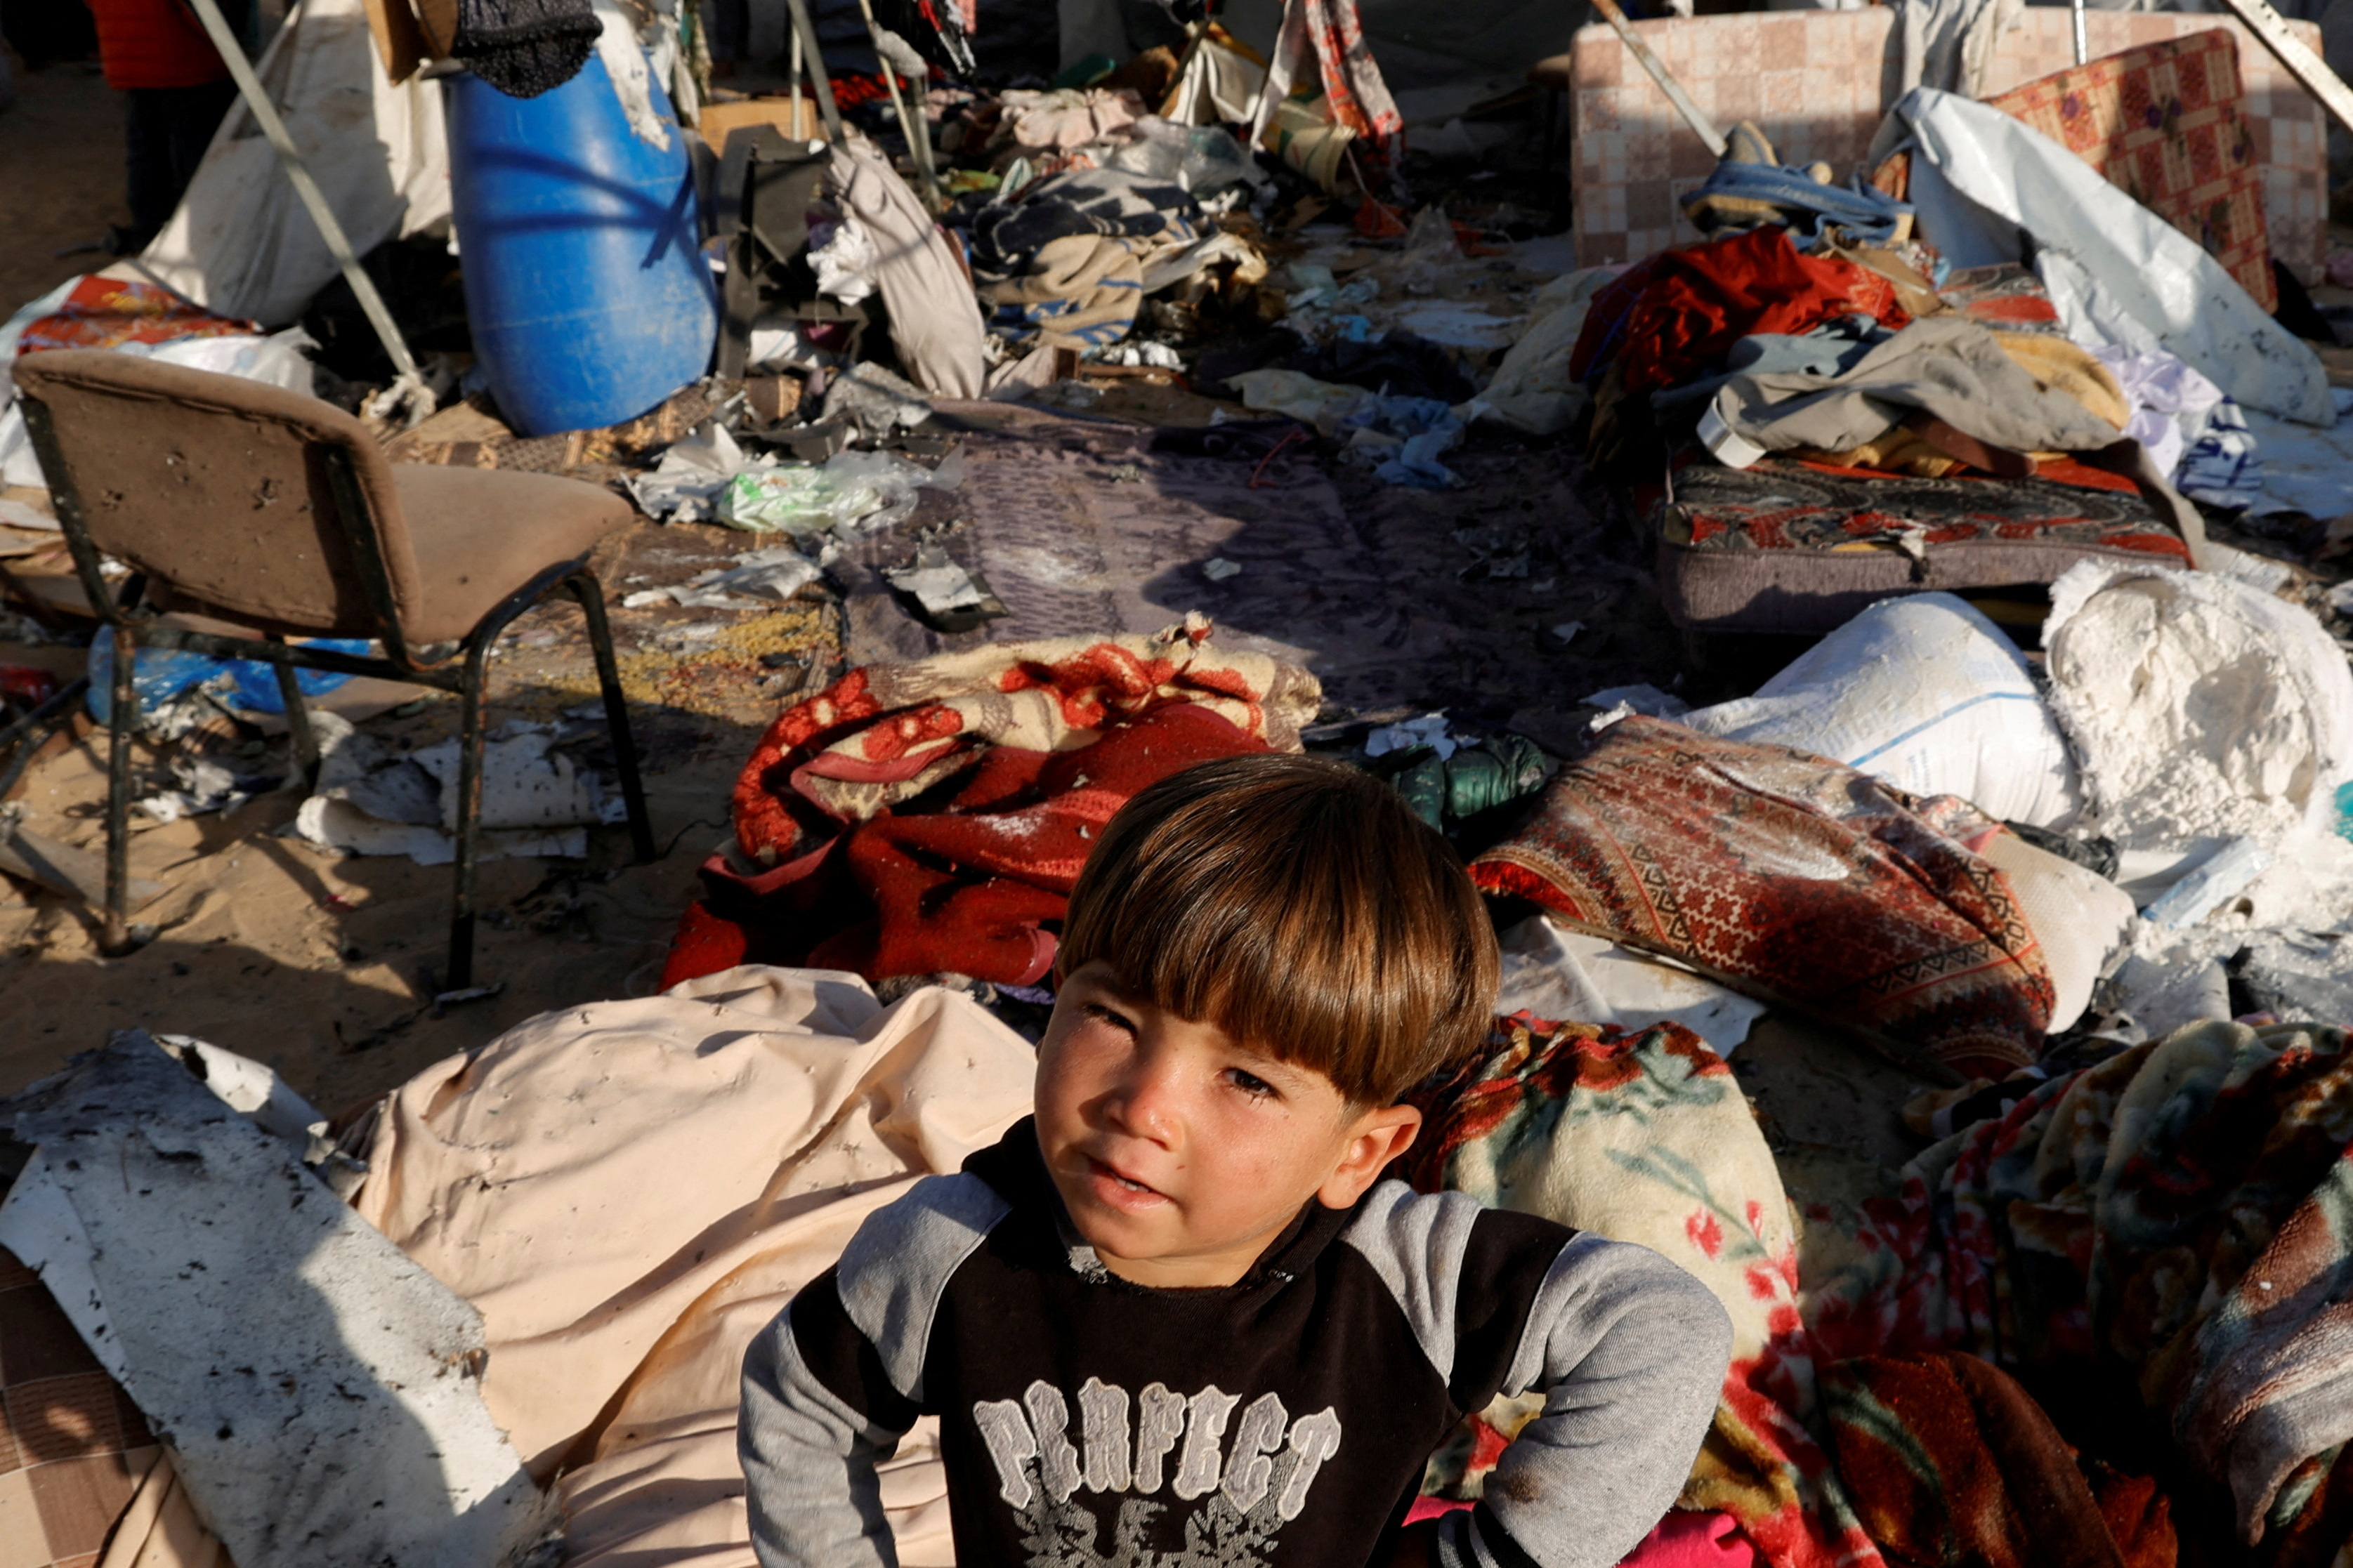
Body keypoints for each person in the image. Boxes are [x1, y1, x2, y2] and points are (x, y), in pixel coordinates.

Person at [741, 753, 1732, 1568]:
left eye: (1248, 1080)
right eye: (1112, 1017)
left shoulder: (1406, 1281)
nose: (1145, 1105)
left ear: (1360, 1151)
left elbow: (1661, 1329)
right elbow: (799, 1398)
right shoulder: (953, 1252)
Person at [81, 0, 251, 253]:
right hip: (184, 59)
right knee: (197, 156)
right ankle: (204, 233)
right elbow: (206, 15)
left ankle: (147, 229)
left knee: (146, 152)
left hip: (128, 58)